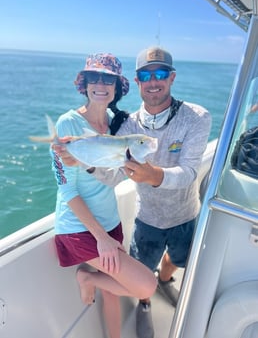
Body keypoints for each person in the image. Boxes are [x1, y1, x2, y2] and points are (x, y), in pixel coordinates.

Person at [54, 46, 212, 338]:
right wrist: (85, 164)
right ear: (137, 81)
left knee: (176, 261)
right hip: (143, 219)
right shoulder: (121, 126)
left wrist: (155, 175)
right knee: (142, 283)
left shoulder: (195, 117)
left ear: (172, 77)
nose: (154, 81)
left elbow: (190, 171)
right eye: (146, 74)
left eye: (161, 73)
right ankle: (145, 306)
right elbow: (100, 177)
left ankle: (165, 281)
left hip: (182, 214)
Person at [51, 52, 157, 338]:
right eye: (93, 78)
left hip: (110, 221)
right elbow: (66, 187)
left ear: (117, 88)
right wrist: (101, 238)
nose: (101, 85)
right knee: (146, 286)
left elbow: (117, 173)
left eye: (108, 80)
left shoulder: (118, 123)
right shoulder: (67, 124)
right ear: (83, 84)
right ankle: (86, 276)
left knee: (113, 292)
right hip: (80, 227)